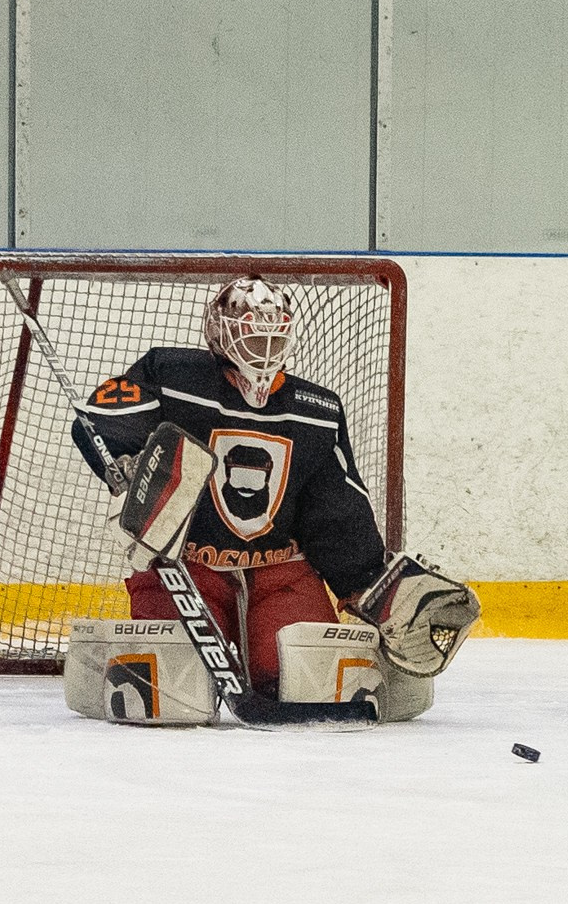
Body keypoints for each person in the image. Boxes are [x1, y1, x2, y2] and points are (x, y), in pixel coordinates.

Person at [70, 275, 478, 721]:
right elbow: (111, 415)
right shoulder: (170, 374)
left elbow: (334, 509)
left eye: (272, 328)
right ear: (219, 330)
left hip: (280, 574)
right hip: (185, 569)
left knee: (313, 677)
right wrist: (130, 465)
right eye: (248, 327)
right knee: (170, 686)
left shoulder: (317, 410)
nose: (262, 341)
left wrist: (366, 580)